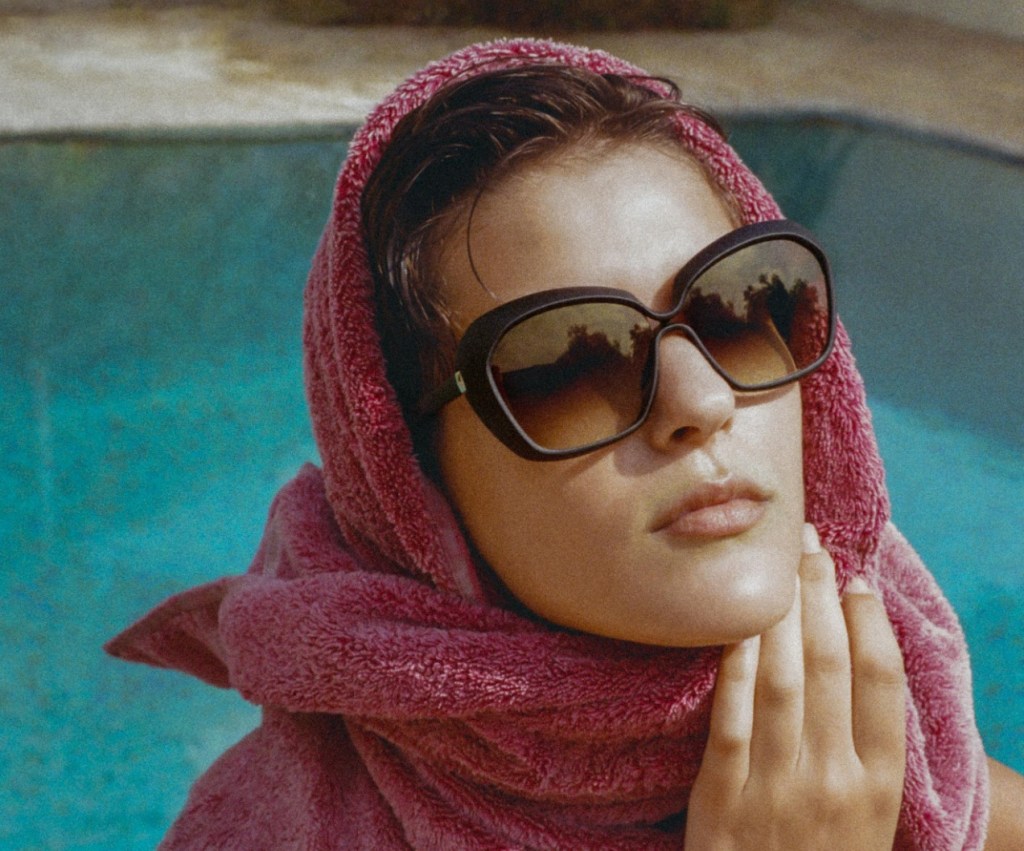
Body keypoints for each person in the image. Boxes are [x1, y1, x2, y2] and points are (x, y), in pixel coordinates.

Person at [107, 38, 1024, 848]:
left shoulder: (890, 751)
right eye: (568, 366)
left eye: (741, 308)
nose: (703, 401)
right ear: (413, 482)